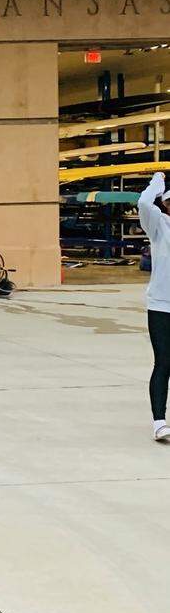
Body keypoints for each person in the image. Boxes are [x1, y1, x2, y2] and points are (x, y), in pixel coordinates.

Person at [137, 171, 170, 442]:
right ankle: (159, 422)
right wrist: (156, 182)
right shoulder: (159, 226)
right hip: (161, 306)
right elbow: (145, 204)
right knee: (164, 363)